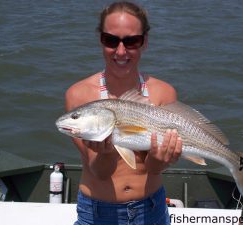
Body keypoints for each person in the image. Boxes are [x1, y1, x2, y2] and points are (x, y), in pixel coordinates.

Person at [65, 1, 182, 224]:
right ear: (100, 40)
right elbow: (99, 171)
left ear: (144, 42)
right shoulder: (78, 95)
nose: (120, 51)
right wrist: (106, 152)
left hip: (151, 209)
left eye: (131, 41)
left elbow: (154, 168)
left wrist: (162, 159)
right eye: (111, 40)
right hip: (97, 213)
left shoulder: (163, 93)